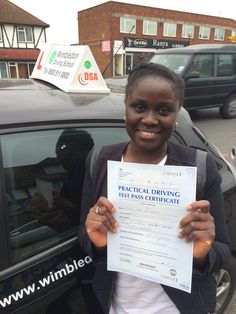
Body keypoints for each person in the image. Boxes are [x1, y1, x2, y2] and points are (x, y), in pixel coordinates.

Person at [78, 63, 231, 314]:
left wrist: (202, 253)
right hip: (115, 306)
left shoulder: (200, 167)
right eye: (139, 107)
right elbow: (85, 236)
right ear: (126, 108)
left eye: (164, 110)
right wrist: (97, 241)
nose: (149, 119)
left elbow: (222, 249)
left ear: (177, 113)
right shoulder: (99, 161)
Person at [29, 129, 94, 232]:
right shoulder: (88, 167)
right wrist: (58, 200)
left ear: (72, 150)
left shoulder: (80, 169)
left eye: (59, 152)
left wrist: (52, 207)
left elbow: (81, 214)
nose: (58, 158)